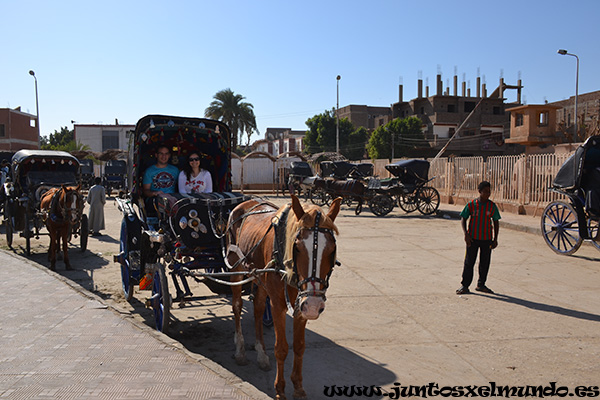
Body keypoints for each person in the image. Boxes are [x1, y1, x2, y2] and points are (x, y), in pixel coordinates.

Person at [456, 181, 501, 295]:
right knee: (469, 262)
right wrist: (466, 234)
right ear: (479, 192)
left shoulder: (492, 206)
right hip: (473, 239)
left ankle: (481, 284)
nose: (487, 194)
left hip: (486, 239)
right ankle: (465, 285)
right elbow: (463, 218)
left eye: (489, 192)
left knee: (484, 263)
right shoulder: (471, 204)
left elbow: (495, 221)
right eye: (485, 191)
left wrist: (495, 239)